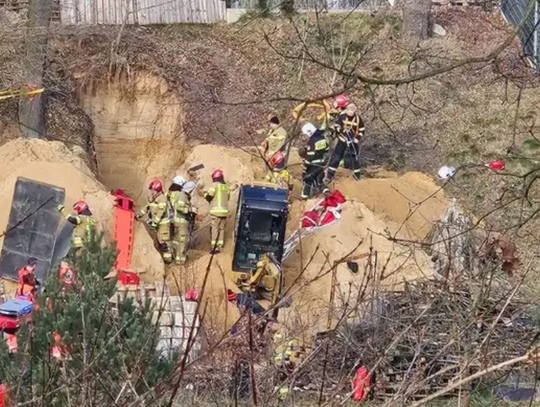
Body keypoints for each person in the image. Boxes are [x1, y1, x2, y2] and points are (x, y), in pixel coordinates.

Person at [136, 178, 172, 263]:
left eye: (152, 190)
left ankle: (168, 260)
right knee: (159, 241)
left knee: (164, 242)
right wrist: (138, 214)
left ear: (156, 189)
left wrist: (155, 223)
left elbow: (160, 212)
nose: (151, 191)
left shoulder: (162, 198)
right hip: (158, 224)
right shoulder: (154, 199)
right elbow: (147, 208)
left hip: (163, 224)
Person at [327, 103, 365, 181]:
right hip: (342, 140)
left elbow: (361, 130)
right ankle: (329, 175)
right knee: (337, 157)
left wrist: (357, 138)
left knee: (354, 158)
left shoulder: (358, 119)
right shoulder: (342, 117)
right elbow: (336, 126)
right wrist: (342, 130)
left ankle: (356, 176)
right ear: (346, 110)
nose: (350, 112)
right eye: (349, 110)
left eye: (352, 110)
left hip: (352, 142)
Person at [300, 122, 329, 200]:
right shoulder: (322, 138)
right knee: (319, 180)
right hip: (322, 163)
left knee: (307, 180)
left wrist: (305, 168)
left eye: (305, 134)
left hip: (313, 164)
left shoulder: (311, 141)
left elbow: (310, 156)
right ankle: (325, 191)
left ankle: (304, 197)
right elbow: (327, 149)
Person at [204, 169, 230, 253]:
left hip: (215, 212)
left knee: (214, 228)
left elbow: (209, 196)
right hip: (224, 212)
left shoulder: (214, 185)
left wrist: (204, 195)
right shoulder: (226, 187)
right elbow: (228, 198)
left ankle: (213, 247)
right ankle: (219, 246)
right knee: (221, 229)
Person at [167, 175, 192, 264]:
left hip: (171, 219)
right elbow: (180, 207)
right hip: (181, 219)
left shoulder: (169, 193)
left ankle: (173, 256)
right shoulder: (181, 194)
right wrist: (190, 210)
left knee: (174, 239)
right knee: (182, 240)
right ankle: (180, 260)